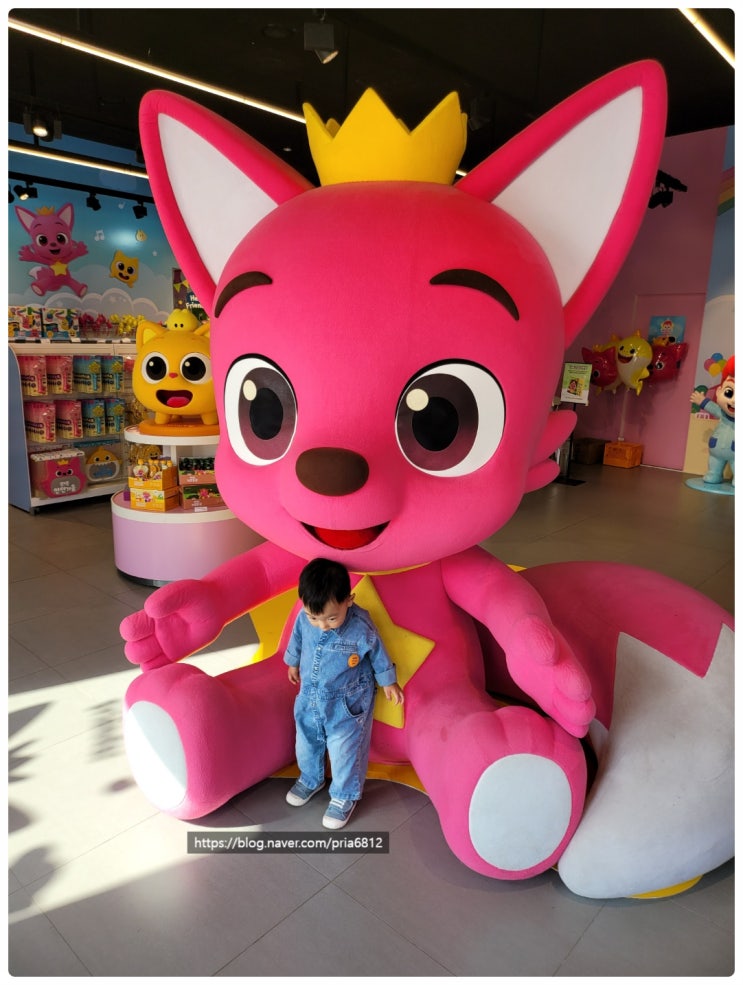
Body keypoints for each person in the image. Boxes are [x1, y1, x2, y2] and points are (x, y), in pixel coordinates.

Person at [284, 557, 404, 829]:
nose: (322, 625)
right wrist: (293, 662)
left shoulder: (361, 626)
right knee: (306, 741)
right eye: (314, 617)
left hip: (347, 703)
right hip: (309, 697)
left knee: (345, 750)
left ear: (348, 601)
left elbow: (377, 652)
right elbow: (298, 639)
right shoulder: (305, 618)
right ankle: (310, 778)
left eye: (331, 618)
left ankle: (343, 795)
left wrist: (388, 682)